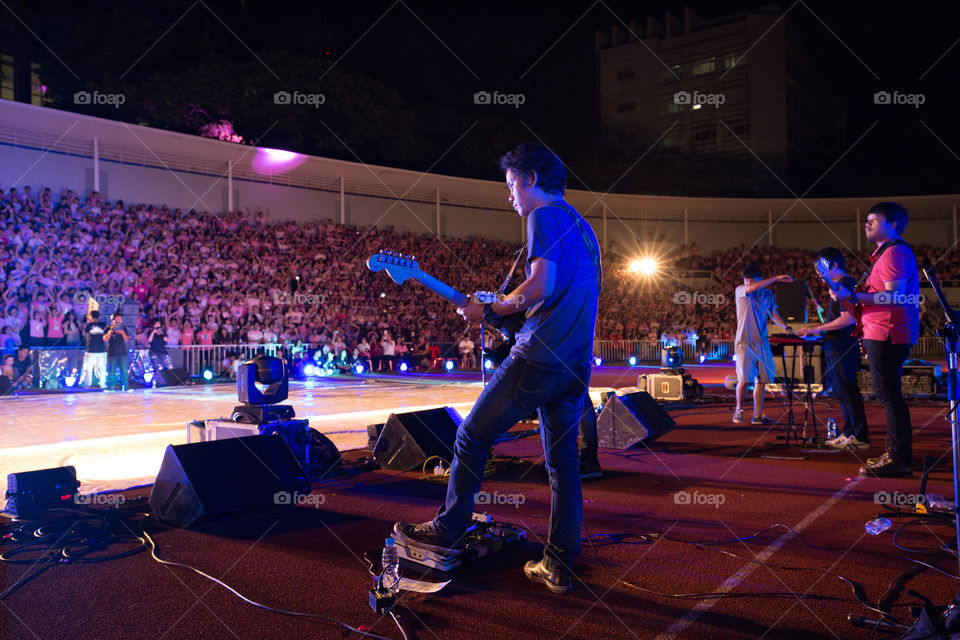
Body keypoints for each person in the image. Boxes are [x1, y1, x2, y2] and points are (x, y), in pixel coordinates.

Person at [393, 143, 602, 594]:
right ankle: (559, 563)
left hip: (539, 356)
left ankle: (448, 530)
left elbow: (541, 284)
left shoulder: (542, 217)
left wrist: (502, 304)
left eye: (511, 186)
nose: (509, 197)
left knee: (470, 435)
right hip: (574, 366)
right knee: (563, 467)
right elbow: (554, 290)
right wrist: (498, 306)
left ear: (530, 179)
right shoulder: (584, 229)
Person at [833, 202, 919, 477]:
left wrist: (855, 297)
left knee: (888, 394)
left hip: (888, 331)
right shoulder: (886, 253)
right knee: (887, 394)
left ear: (892, 224)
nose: (866, 224)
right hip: (882, 330)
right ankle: (897, 455)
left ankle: (900, 459)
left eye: (873, 220)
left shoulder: (894, 253)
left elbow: (896, 297)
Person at [796, 247, 868, 451]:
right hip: (835, 344)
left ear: (834, 265)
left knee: (848, 389)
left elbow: (847, 319)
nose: (818, 273)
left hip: (843, 345)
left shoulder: (846, 284)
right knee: (841, 390)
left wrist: (816, 328)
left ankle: (859, 435)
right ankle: (849, 431)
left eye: (821, 268)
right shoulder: (837, 285)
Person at [733, 265, 793, 424]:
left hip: (762, 342)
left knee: (762, 379)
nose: (749, 285)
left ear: (760, 280)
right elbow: (753, 287)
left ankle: (757, 415)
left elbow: (773, 313)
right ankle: (738, 410)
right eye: (747, 282)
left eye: (752, 281)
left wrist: (786, 327)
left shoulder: (767, 294)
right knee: (745, 379)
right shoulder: (740, 291)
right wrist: (777, 278)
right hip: (744, 342)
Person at [79, 310, 107, 388]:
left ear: (91, 316)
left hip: (94, 349)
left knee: (89, 368)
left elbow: (84, 334)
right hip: (95, 350)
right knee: (100, 368)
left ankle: (87, 384)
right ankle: (102, 384)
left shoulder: (90, 325)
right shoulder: (102, 324)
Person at [104, 312, 130, 391]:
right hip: (112, 352)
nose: (119, 320)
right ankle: (111, 386)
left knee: (124, 370)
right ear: (113, 319)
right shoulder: (108, 328)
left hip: (122, 353)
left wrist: (122, 333)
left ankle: (126, 386)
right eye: (117, 319)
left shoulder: (124, 328)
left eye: (120, 319)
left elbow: (127, 339)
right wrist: (110, 332)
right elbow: (105, 339)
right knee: (112, 371)